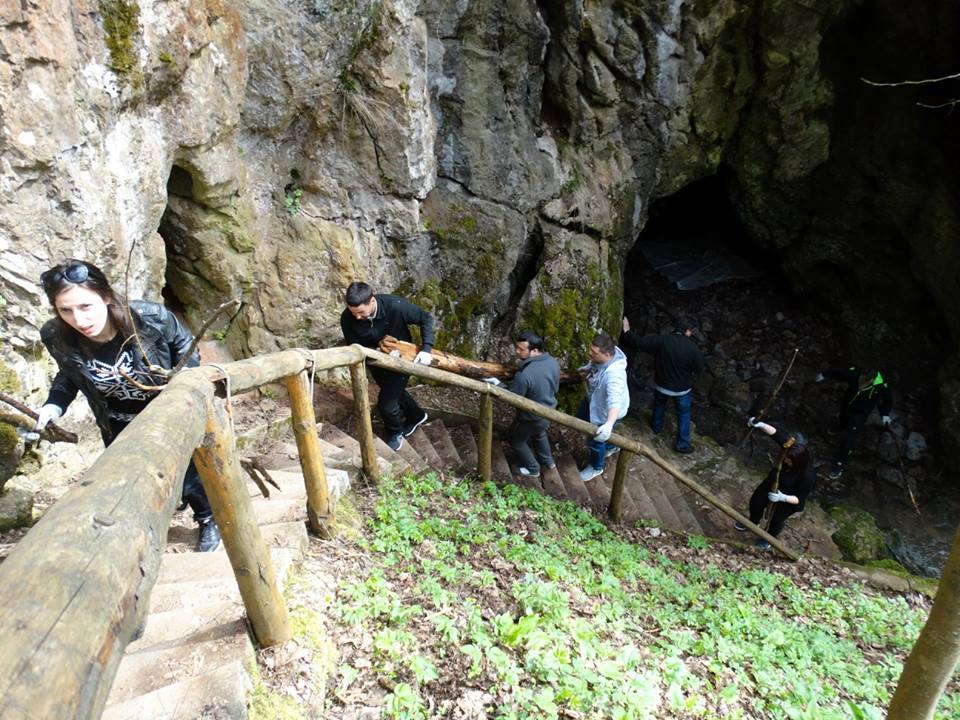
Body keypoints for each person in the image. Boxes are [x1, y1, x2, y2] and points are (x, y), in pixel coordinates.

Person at [35, 259, 221, 552]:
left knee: (187, 473)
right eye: (65, 310)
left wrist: (184, 379)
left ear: (106, 297)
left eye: (85, 306)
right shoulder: (57, 335)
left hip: (166, 412)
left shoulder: (150, 318)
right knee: (131, 478)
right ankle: (144, 534)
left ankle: (207, 517)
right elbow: (69, 373)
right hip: (118, 422)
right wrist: (54, 405)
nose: (79, 320)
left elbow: (184, 345)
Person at [340, 281, 435, 451]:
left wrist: (427, 348)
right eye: (353, 312)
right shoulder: (347, 317)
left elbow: (425, 317)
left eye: (361, 312)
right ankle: (417, 416)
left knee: (386, 403)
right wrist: (377, 351)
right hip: (375, 361)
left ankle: (395, 432)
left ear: (372, 301)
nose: (357, 317)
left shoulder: (395, 306)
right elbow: (353, 345)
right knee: (395, 392)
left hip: (401, 362)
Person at [620, 315, 705, 453]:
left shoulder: (663, 340)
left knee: (659, 405)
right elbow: (699, 369)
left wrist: (627, 331)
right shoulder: (693, 349)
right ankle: (682, 444)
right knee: (683, 414)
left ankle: (656, 427)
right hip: (682, 389)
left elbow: (640, 343)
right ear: (688, 331)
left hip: (662, 385)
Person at [483, 330, 560, 478]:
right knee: (539, 433)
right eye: (517, 347)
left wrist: (498, 384)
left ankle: (533, 468)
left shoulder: (525, 375)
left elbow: (512, 397)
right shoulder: (553, 363)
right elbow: (555, 387)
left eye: (521, 349)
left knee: (515, 439)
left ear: (535, 350)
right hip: (549, 410)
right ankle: (549, 462)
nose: (517, 352)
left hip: (530, 417)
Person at [739, 417, 816, 548]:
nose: (785, 460)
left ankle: (769, 539)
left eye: (789, 461)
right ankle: (753, 522)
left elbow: (800, 499)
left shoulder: (807, 476)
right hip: (773, 482)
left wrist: (782, 497)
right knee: (756, 502)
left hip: (788, 497)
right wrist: (760, 425)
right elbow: (776, 434)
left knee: (777, 519)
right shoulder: (790, 447)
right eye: (786, 458)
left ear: (798, 462)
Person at [814, 366, 893, 480]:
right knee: (843, 419)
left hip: (860, 413)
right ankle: (840, 427)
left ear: (872, 379)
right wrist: (825, 374)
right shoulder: (855, 373)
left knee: (849, 439)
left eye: (866, 380)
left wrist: (885, 414)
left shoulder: (880, 386)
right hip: (847, 405)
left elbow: (888, 400)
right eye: (862, 378)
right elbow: (841, 372)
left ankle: (839, 465)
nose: (863, 382)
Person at [577, 332, 630, 482]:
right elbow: (594, 364)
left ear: (606, 354)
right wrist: (587, 368)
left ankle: (596, 467)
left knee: (595, 440)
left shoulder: (615, 376)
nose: (589, 354)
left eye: (594, 353)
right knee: (580, 420)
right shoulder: (602, 359)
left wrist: (608, 424)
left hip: (606, 413)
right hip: (593, 401)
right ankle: (611, 447)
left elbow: (614, 403)